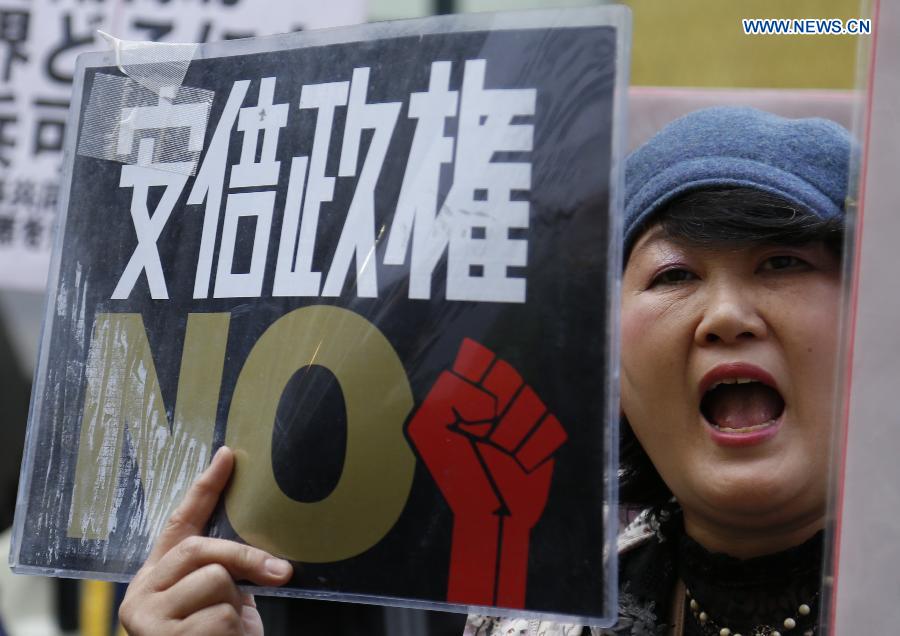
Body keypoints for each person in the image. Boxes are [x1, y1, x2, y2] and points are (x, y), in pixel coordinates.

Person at [119, 106, 852, 636]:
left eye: (782, 263)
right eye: (673, 276)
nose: (726, 315)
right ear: (609, 359)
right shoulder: (526, 619)